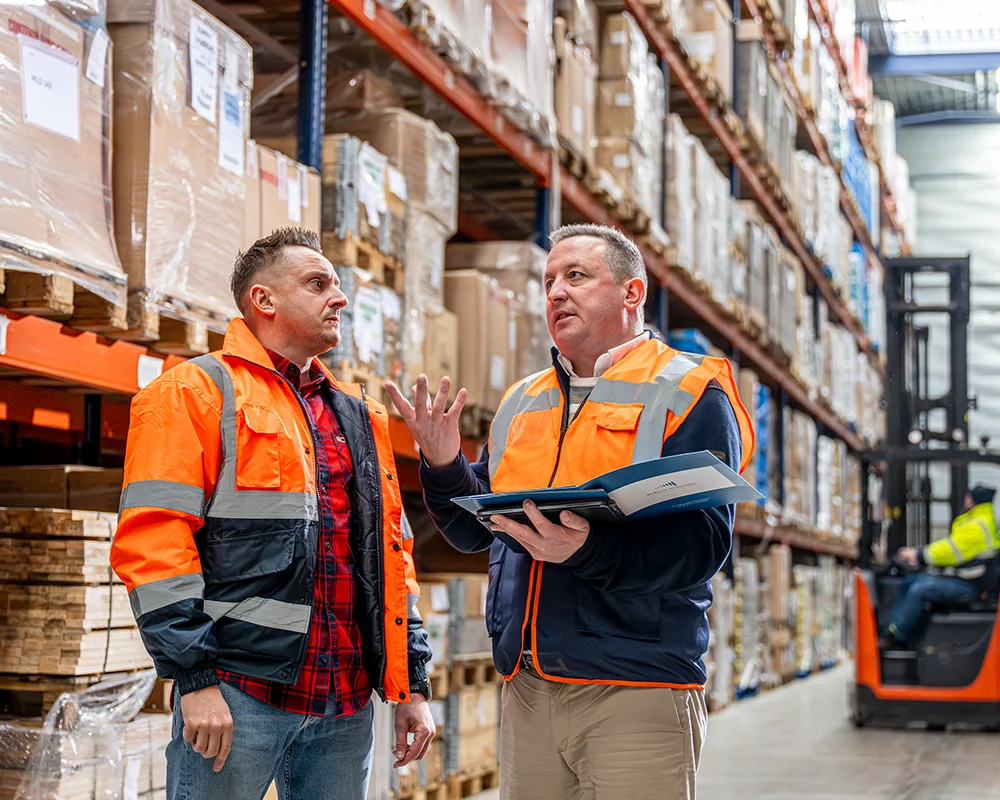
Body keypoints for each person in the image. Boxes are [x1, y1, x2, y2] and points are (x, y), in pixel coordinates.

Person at [386, 223, 755, 800]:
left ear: (631, 294)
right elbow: (473, 529)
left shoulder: (688, 392)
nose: (556, 292)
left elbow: (700, 549)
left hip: (634, 686)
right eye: (549, 280)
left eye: (576, 276)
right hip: (529, 685)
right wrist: (442, 462)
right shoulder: (523, 400)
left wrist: (587, 550)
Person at [111, 228, 435, 800]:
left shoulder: (360, 415)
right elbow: (155, 541)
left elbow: (391, 557)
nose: (339, 299)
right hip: (238, 697)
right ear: (264, 301)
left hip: (345, 701)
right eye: (318, 284)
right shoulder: (194, 390)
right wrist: (195, 679)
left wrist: (409, 681)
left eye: (338, 286)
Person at [886, 484, 999, 645]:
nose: (965, 499)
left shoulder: (978, 525)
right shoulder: (980, 520)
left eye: (968, 496)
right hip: (967, 579)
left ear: (974, 500)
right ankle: (898, 629)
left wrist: (918, 555)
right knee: (911, 581)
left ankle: (896, 635)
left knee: (919, 590)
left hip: (971, 585)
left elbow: (950, 551)